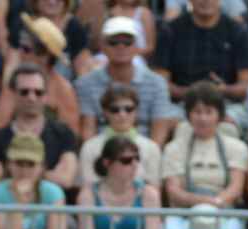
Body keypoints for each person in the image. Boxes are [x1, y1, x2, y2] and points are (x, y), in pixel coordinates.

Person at [162, 82, 248, 229]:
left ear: (218, 115)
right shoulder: (174, 148)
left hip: (222, 210)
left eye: (208, 112)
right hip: (185, 212)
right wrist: (202, 203)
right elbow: (173, 190)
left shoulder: (236, 147)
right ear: (189, 115)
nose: (202, 118)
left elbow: (236, 188)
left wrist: (216, 203)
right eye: (197, 112)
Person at [75, 16, 181, 145]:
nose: (121, 47)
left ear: (137, 46)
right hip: (101, 155)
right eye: (113, 42)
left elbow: (159, 131)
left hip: (145, 153)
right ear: (102, 46)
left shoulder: (157, 83)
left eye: (128, 42)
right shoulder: (86, 84)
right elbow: (88, 131)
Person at [0, 64, 80, 192]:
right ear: (13, 94)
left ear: (46, 95)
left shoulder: (63, 134)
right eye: (24, 92)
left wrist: (16, 176)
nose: (31, 98)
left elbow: (66, 179)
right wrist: (44, 175)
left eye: (38, 92)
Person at [152, 0, 248, 106]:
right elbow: (160, 84)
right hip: (180, 104)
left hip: (228, 104)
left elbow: (246, 86)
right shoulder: (170, 31)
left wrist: (224, 90)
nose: (206, 1)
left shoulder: (238, 32)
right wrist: (191, 93)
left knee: (231, 122)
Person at [0, 15, 82, 130]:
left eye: (26, 49)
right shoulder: (13, 83)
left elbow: (71, 134)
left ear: (44, 56)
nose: (20, 53)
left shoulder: (63, 90)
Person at [79, 84, 164, 187]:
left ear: (136, 111)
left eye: (129, 109)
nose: (122, 114)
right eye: (115, 109)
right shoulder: (90, 147)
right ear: (105, 112)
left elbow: (154, 187)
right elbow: (88, 187)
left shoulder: (151, 147)